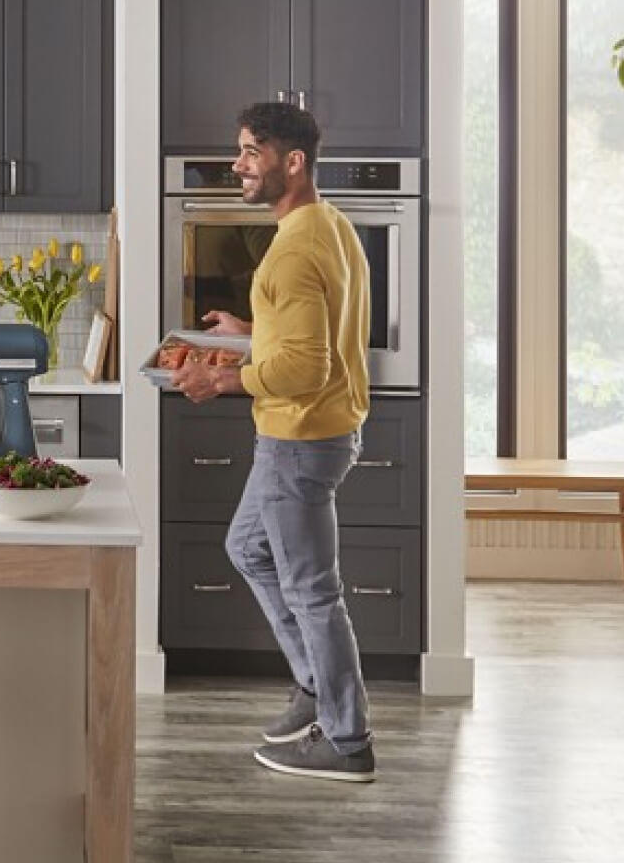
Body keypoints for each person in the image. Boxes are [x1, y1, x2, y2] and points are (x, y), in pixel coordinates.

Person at [174, 102, 379, 783]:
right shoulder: (329, 225)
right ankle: (315, 684)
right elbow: (311, 335)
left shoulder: (291, 252)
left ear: (292, 162)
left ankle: (346, 740)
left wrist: (220, 379)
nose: (237, 165)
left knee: (313, 590)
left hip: (299, 437)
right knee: (247, 548)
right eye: (238, 150)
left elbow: (304, 368)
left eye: (250, 152)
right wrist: (249, 332)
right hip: (317, 432)